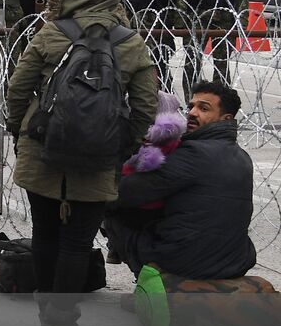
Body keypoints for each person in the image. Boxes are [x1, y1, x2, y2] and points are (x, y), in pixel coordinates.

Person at [6, 0, 158, 326]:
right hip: (100, 152)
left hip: (44, 149)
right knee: (77, 241)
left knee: (45, 232)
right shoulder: (130, 41)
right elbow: (145, 105)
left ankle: (47, 315)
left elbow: (17, 87)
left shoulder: (52, 32)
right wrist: (126, 145)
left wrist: (19, 130)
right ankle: (60, 323)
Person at [109, 80, 257, 280]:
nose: (192, 113)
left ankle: (154, 279)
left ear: (225, 118)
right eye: (191, 106)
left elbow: (128, 192)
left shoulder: (194, 153)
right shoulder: (242, 156)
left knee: (108, 204)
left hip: (184, 260)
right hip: (234, 260)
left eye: (204, 108)